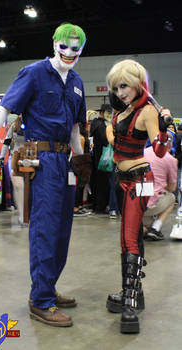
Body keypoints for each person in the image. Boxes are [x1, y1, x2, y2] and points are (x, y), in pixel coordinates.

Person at [0, 23, 88, 328]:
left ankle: (47, 287)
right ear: (54, 43)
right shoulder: (34, 73)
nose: (69, 52)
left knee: (63, 229)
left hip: (64, 161)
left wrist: (81, 160)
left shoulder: (77, 82)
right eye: (64, 45)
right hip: (42, 159)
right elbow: (6, 107)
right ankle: (40, 300)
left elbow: (76, 128)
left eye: (76, 47)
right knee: (45, 228)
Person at [105, 59, 171, 334]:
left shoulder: (146, 112)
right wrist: (111, 128)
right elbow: (113, 137)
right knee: (125, 236)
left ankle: (130, 305)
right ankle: (134, 292)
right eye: (116, 87)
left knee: (131, 237)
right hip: (123, 181)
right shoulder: (124, 110)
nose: (120, 92)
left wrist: (165, 129)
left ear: (137, 84)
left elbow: (158, 151)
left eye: (125, 86)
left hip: (140, 180)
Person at [143, 131, 177, 240]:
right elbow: (172, 188)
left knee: (144, 229)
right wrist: (162, 183)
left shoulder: (143, 152)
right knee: (171, 198)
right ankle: (155, 228)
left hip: (136, 201)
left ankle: (142, 228)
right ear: (170, 145)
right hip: (153, 201)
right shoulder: (170, 159)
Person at [0, 115, 27, 227]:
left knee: (31, 187)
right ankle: (22, 215)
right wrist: (1, 157)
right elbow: (7, 141)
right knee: (18, 186)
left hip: (32, 156)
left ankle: (29, 213)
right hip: (16, 156)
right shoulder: (14, 126)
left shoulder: (36, 122)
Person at [90, 104, 112, 214]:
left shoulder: (95, 124)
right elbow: (106, 140)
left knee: (97, 182)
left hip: (97, 158)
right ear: (103, 113)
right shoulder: (102, 125)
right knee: (102, 183)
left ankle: (97, 205)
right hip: (103, 159)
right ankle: (100, 206)